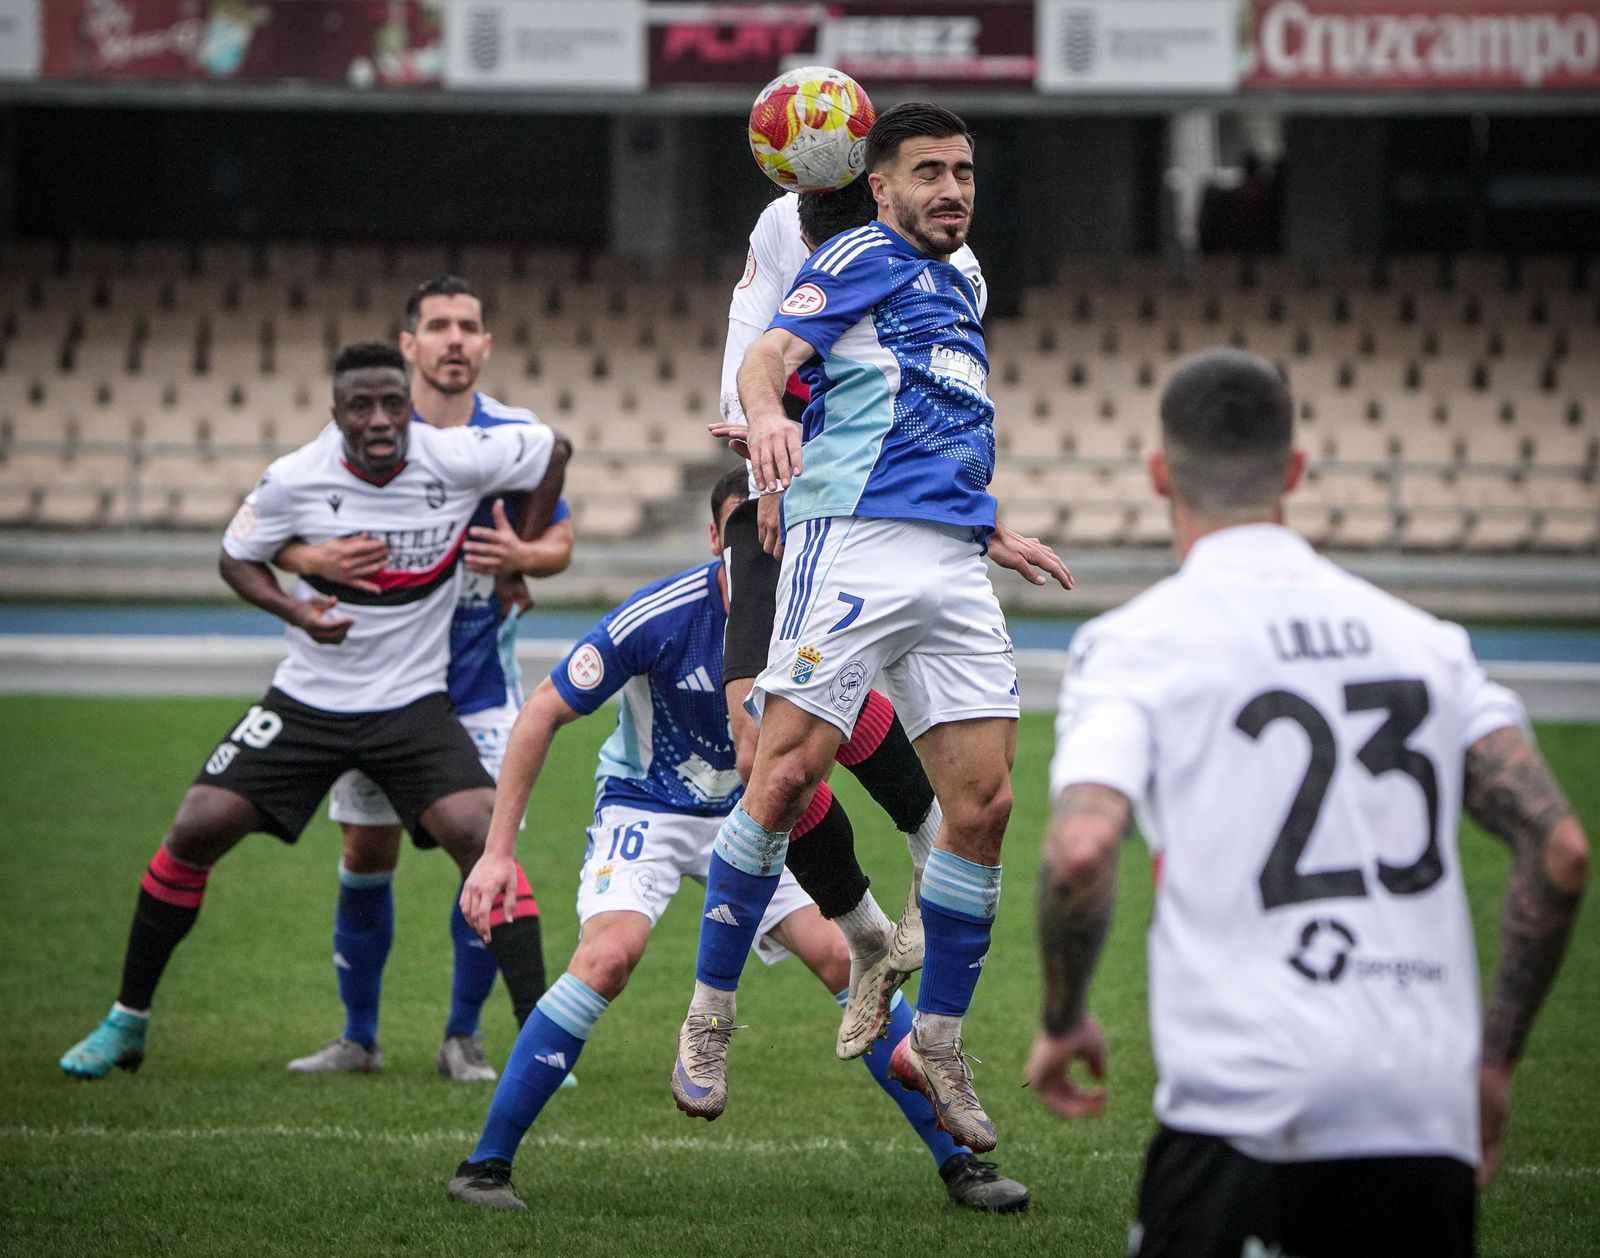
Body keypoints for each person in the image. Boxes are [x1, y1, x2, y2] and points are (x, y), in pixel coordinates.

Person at [1026, 347, 1589, 1257]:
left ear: (1160, 473)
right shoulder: (1427, 642)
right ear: (1295, 470)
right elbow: (1559, 849)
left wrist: (1062, 1018)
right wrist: (1492, 1062)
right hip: (1420, 1115)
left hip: (1244, 1111)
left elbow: (1082, 849)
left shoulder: (1135, 645)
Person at [445, 469, 1028, 1213]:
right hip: (649, 807)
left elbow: (870, 734)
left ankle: (961, 1164)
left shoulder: (824, 612)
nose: (772, 539)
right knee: (608, 955)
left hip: (756, 817)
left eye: (786, 524)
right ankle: (485, 1165)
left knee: (846, 959)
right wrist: (498, 853)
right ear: (719, 537)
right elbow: (540, 713)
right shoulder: (660, 615)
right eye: (751, 528)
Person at [673, 102, 1071, 1153]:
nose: (952, 189)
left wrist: (992, 525)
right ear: (881, 185)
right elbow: (769, 358)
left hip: (951, 559)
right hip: (852, 545)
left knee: (981, 807)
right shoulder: (857, 250)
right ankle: (710, 1013)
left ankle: (934, 1039)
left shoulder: (962, 281)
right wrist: (765, 415)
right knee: (785, 776)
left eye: (964, 172)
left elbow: (930, 416)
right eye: (928, 171)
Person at [58, 342, 571, 1080]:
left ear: (409, 405)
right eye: (360, 406)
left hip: (412, 705)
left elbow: (555, 446)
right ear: (336, 416)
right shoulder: (295, 477)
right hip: (308, 700)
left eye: (393, 403)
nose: (380, 419)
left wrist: (516, 547)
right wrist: (293, 609)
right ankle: (125, 1022)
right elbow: (237, 555)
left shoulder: (456, 456)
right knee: (196, 826)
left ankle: (537, 1040)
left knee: (482, 838)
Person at [272, 276, 575, 1082]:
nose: (452, 339)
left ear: (484, 345)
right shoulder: (361, 433)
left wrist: (524, 556)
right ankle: (359, 1038)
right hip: (372, 686)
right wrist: (306, 560)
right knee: (366, 849)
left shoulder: (512, 436)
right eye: (436, 325)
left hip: (476, 683)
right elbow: (285, 533)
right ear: (408, 345)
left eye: (466, 326)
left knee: (482, 853)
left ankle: (462, 1037)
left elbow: (558, 546)